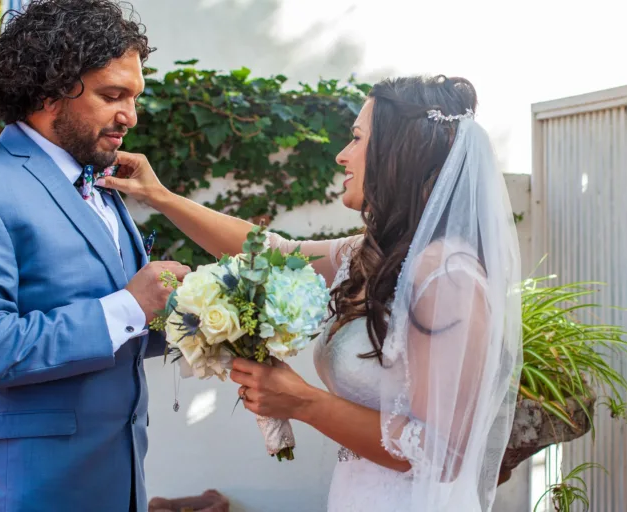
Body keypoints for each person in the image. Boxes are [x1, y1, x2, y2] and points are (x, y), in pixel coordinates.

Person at [103, 75, 522, 511]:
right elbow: (274, 251)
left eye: (357, 138)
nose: (342, 155)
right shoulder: (378, 254)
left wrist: (303, 401)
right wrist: (161, 197)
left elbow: (442, 453)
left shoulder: (447, 275)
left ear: (400, 151)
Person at [0, 1, 190, 510]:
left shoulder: (103, 186)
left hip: (118, 482)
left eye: (135, 97)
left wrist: (195, 322)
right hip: (24, 492)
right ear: (48, 90)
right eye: (112, 95)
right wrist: (130, 305)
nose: (130, 115)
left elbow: (115, 332)